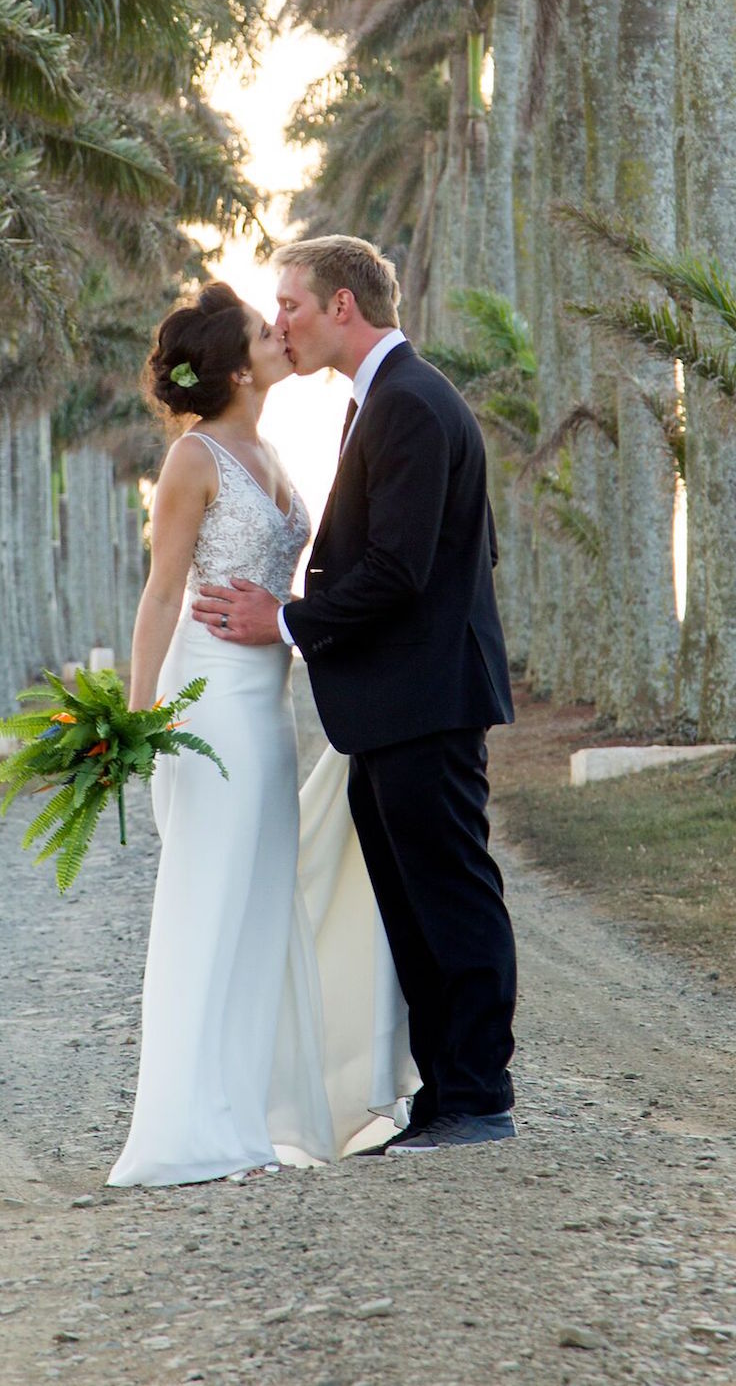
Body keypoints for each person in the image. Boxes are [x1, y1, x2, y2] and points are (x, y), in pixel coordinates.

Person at [192, 235, 518, 1154]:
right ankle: (444, 1092)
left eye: (290, 303)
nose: (279, 322)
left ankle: (479, 1092)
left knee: (450, 893)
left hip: (428, 700)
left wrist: (286, 619)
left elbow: (400, 569)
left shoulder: (410, 402)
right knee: (411, 903)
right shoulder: (383, 400)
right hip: (396, 699)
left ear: (343, 306)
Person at [109, 282, 415, 1188]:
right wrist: (137, 720)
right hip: (204, 703)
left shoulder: (274, 449)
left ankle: (243, 1117)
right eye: (263, 328)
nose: (283, 333)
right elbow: (162, 593)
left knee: (260, 903)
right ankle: (184, 1128)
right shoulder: (192, 460)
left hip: (269, 705)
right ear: (239, 368)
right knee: (210, 900)